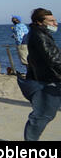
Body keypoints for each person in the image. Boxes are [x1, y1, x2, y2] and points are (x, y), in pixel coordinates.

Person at [22, 8, 60, 141]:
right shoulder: (39, 36)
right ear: (39, 22)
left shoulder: (40, 33)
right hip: (48, 80)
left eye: (55, 20)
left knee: (43, 114)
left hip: (47, 77)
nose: (55, 23)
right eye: (51, 21)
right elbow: (53, 59)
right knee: (42, 115)